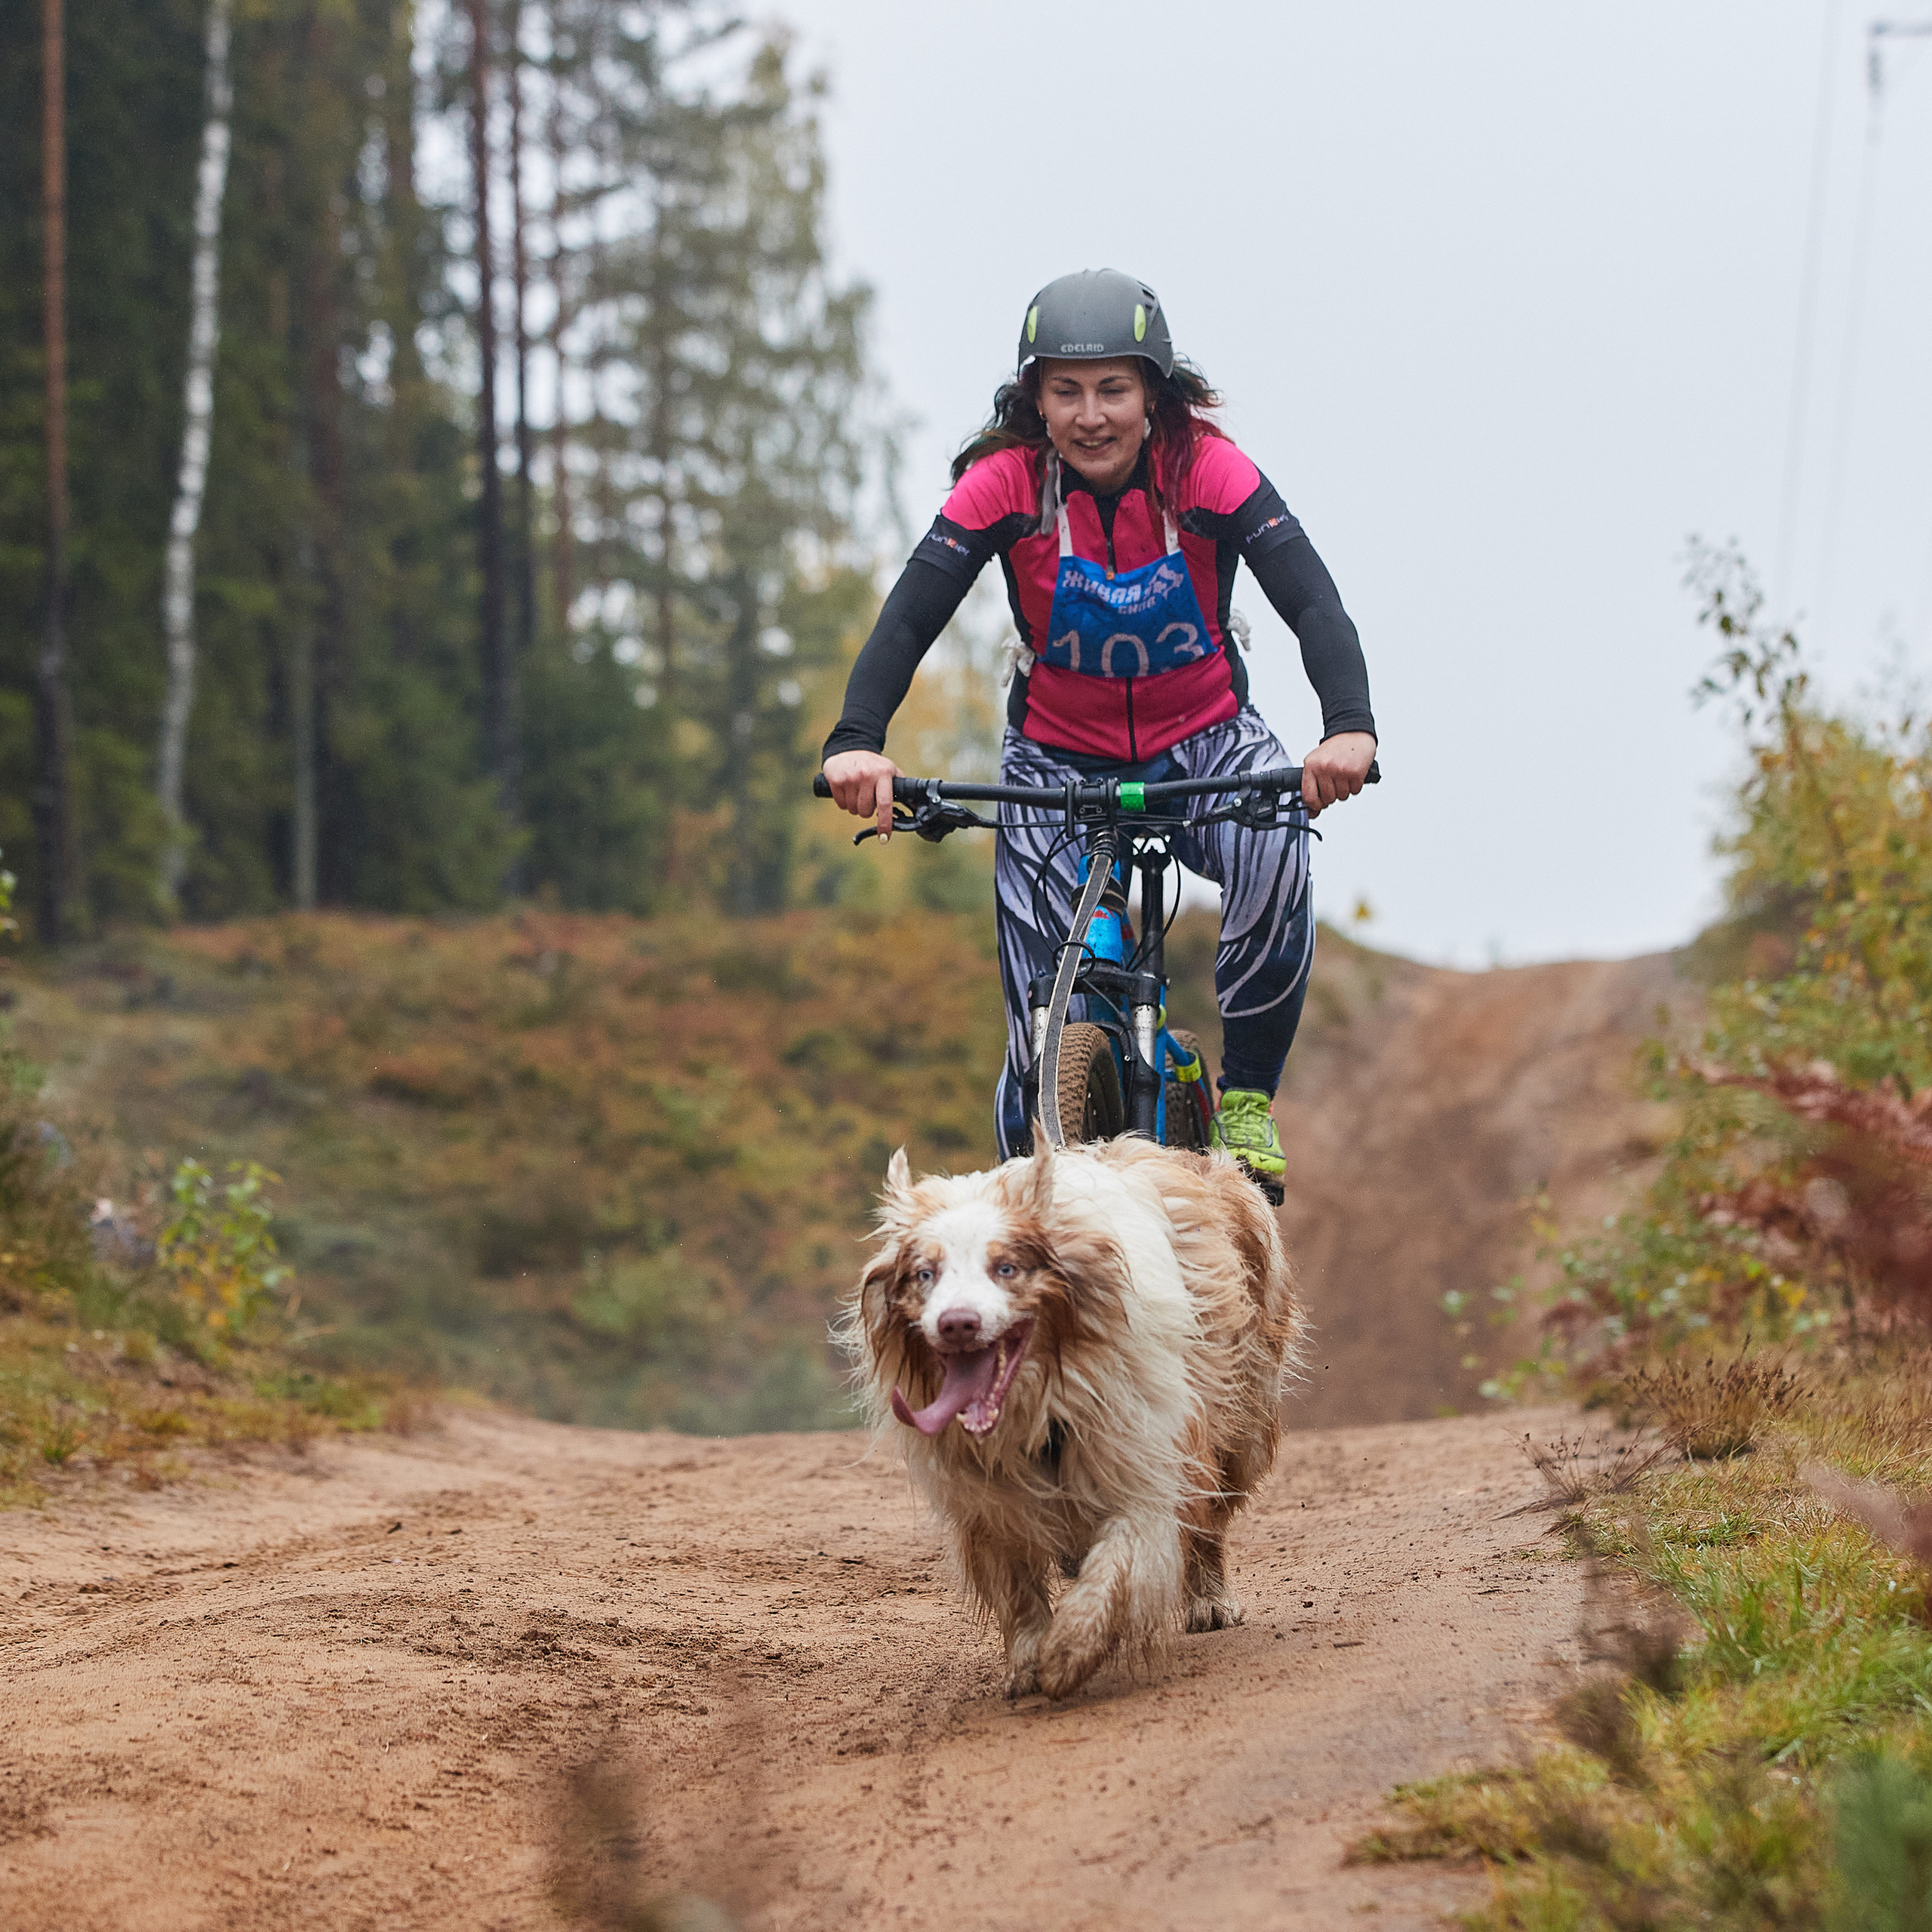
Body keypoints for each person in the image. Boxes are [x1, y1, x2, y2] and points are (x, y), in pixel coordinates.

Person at [821, 268, 1377, 1187]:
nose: (1091, 416)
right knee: (1040, 1025)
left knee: (1276, 843)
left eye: (1113, 389)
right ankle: (1034, 1191)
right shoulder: (1004, 484)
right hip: (1052, 760)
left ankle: (1242, 1101)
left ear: (1152, 394)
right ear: (1035, 400)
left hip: (1205, 738)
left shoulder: (1206, 468)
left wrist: (1346, 727)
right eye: (1066, 391)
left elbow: (1310, 599)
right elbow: (911, 612)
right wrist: (855, 739)